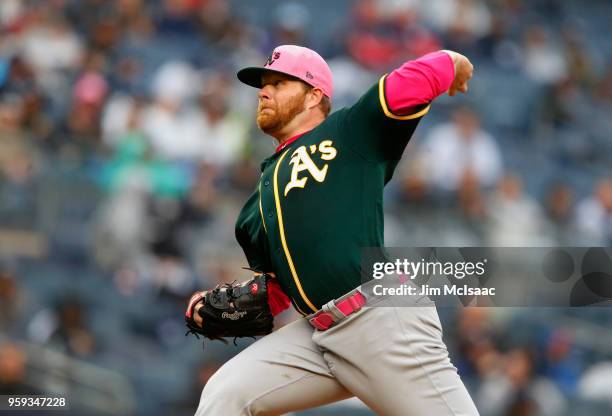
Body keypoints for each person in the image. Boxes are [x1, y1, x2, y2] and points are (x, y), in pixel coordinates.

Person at [190, 45, 479, 415]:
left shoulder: (347, 132)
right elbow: (278, 290)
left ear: (314, 95)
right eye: (263, 85)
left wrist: (452, 62)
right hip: (316, 335)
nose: (264, 92)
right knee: (226, 395)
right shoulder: (255, 205)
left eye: (279, 83)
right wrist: (216, 308)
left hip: (379, 321)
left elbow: (405, 85)